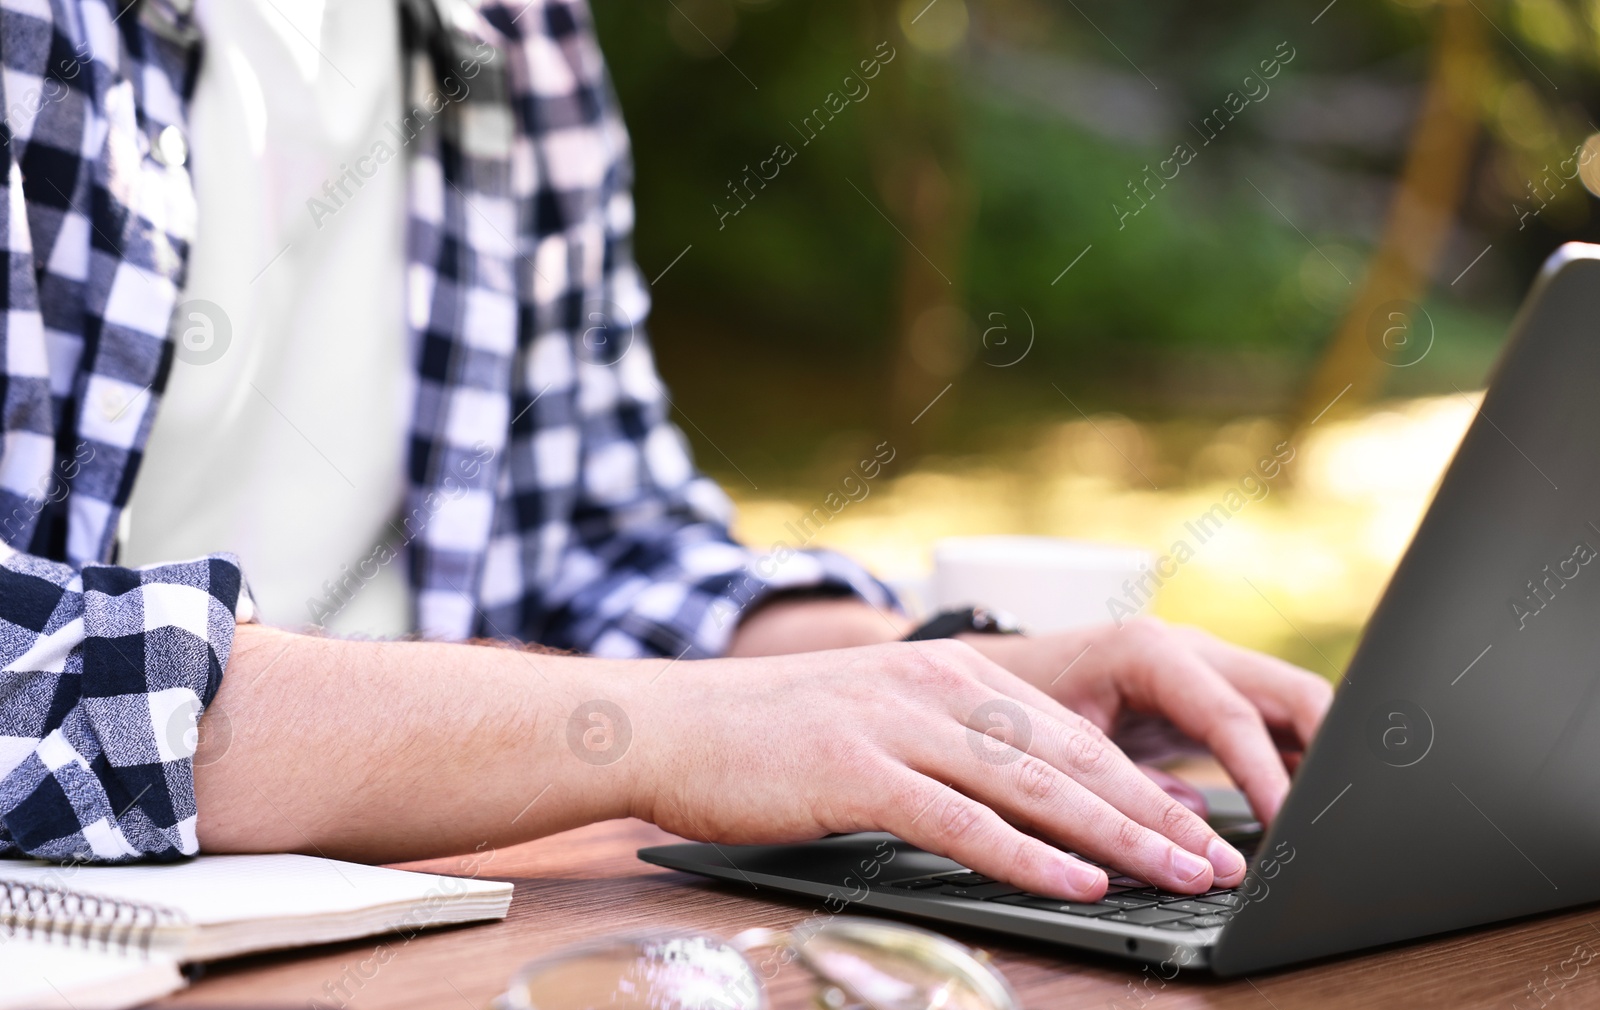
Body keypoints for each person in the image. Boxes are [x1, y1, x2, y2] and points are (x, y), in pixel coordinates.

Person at [0, 0, 1330, 904]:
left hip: (429, 927)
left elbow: (608, 538)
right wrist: (643, 730)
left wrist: (935, 682)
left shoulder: (514, 39)